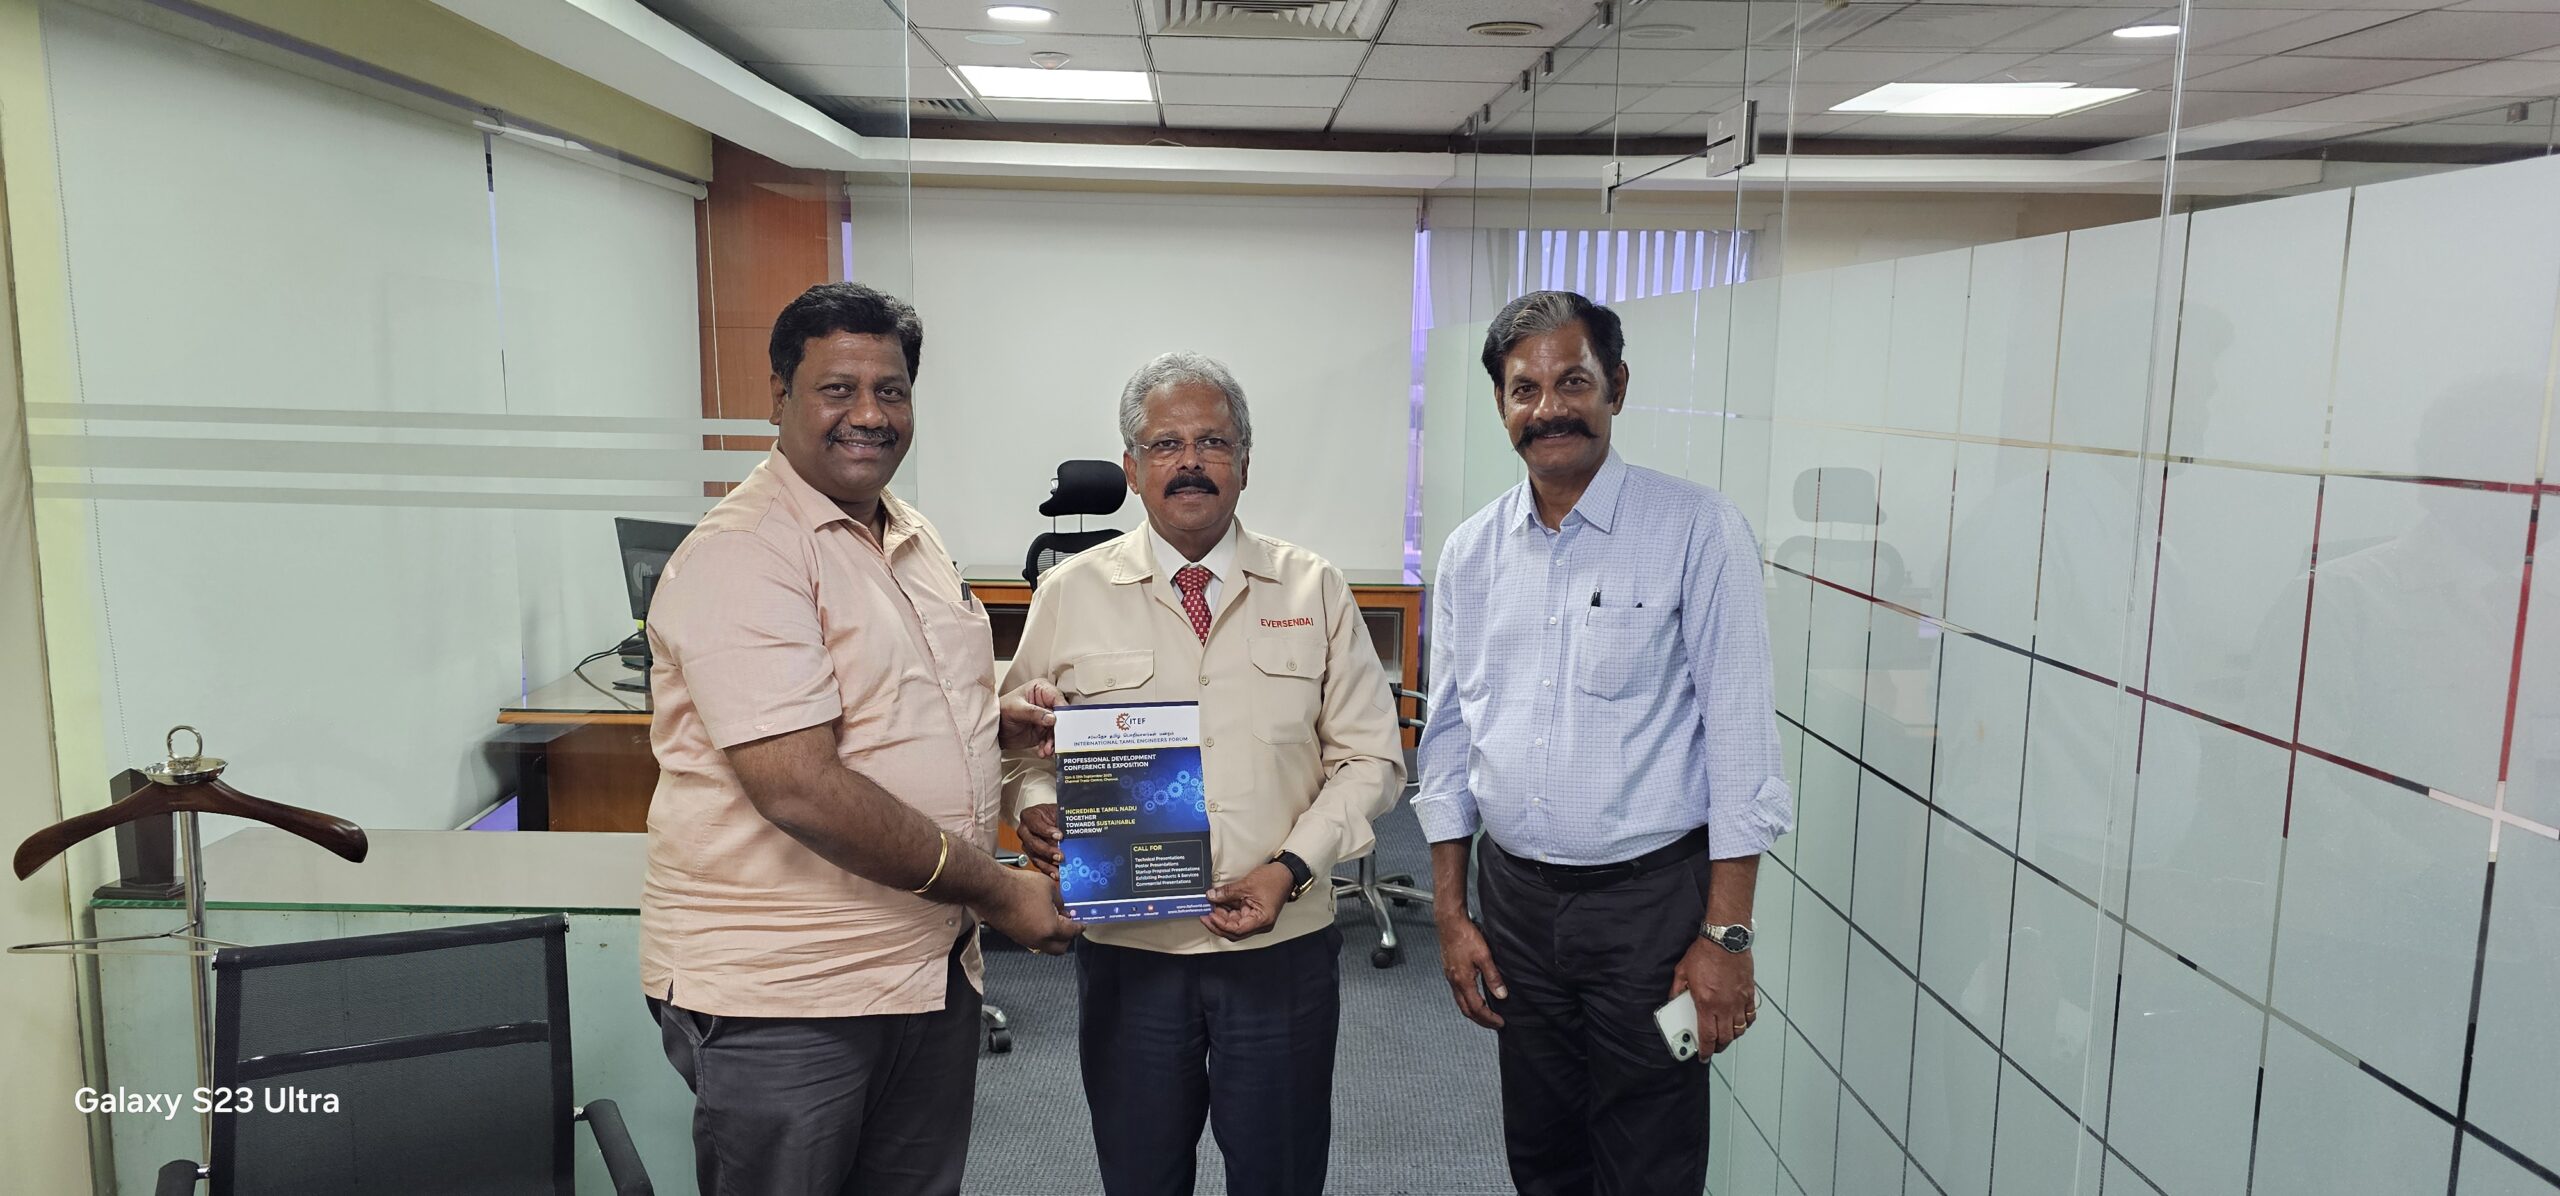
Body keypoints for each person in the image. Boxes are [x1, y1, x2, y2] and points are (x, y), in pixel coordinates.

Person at [638, 281, 1080, 1196]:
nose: (870, 415)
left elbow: (896, 689)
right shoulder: (746, 552)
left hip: (924, 967)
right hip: (790, 995)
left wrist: (991, 714)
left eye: (891, 390)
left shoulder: (907, 531)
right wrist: (1003, 893)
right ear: (779, 396)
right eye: (838, 389)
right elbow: (799, 785)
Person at [1415, 290, 1794, 1196]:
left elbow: (1742, 745)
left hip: (1649, 912)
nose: (1549, 408)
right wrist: (1452, 914)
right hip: (1515, 906)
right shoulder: (1471, 553)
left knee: (1650, 1157)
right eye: (1525, 389)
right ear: (1502, 404)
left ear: (1616, 386)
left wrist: (1726, 936)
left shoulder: (1698, 530)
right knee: (1542, 1152)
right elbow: (1450, 740)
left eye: (1573, 382)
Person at [1001, 351, 1404, 1196]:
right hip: (1130, 952)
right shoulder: (1069, 593)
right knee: (1140, 1176)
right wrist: (1036, 803)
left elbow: (1371, 759)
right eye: (1166, 444)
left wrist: (1289, 868)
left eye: (1213, 442)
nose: (1189, 462)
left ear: (1245, 463)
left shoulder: (1313, 588)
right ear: (1131, 468)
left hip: (1280, 949)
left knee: (1279, 1174)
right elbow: (1019, 745)